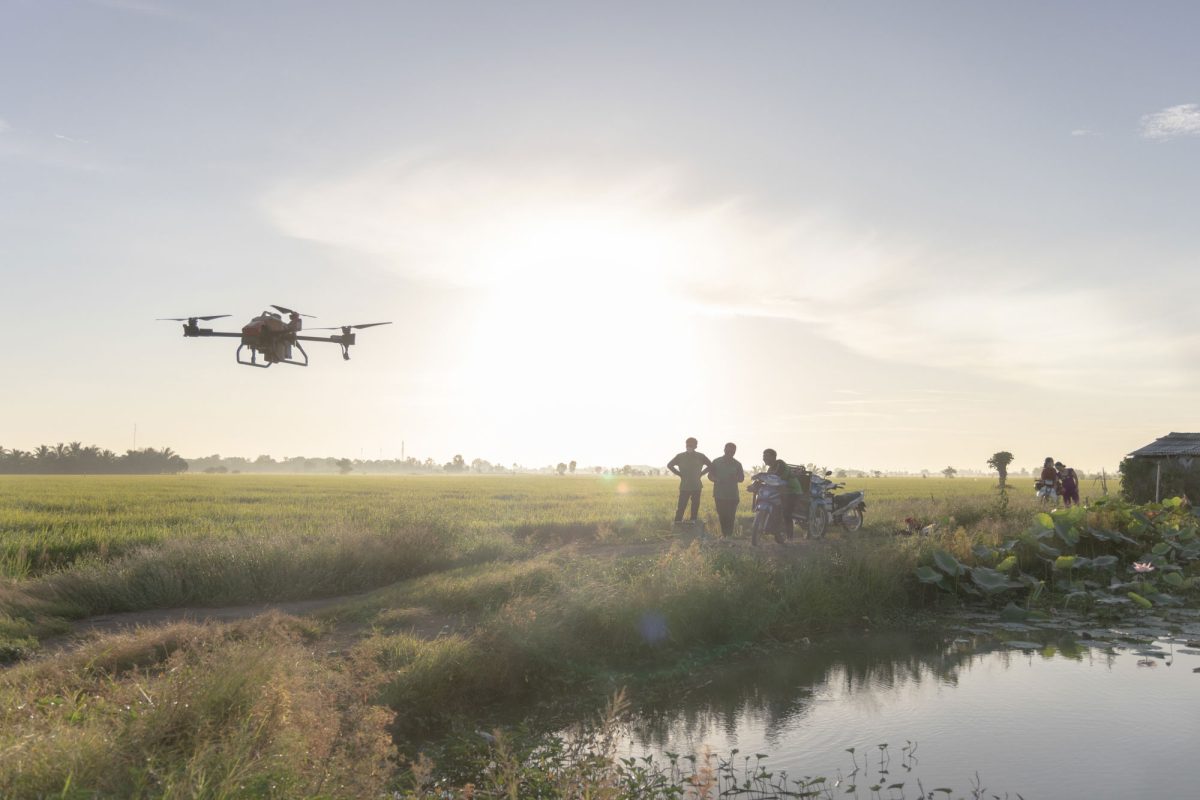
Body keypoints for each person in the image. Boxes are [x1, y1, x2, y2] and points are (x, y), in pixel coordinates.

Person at [667, 438, 712, 523]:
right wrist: (680, 474)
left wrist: (701, 473)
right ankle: (677, 526)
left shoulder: (701, 456)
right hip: (684, 486)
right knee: (681, 508)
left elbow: (711, 465)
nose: (689, 446)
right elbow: (669, 465)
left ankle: (693, 525)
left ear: (696, 446)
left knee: (695, 507)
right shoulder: (680, 456)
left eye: (691, 445)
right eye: (688, 444)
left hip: (696, 486)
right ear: (685, 445)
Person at [762, 448, 803, 539]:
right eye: (763, 456)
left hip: (792, 491)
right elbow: (769, 480)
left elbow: (777, 475)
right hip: (781, 491)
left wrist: (764, 476)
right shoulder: (770, 469)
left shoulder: (780, 464)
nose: (764, 458)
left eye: (767, 456)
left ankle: (789, 537)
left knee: (786, 513)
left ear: (774, 457)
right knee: (774, 506)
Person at [707, 442, 745, 537]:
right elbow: (710, 475)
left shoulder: (737, 464)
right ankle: (725, 535)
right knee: (722, 515)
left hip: (733, 495)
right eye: (728, 450)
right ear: (724, 450)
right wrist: (717, 480)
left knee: (731, 516)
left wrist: (735, 478)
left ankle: (728, 536)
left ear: (734, 452)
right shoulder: (716, 462)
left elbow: (741, 479)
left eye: (732, 451)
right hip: (719, 495)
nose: (730, 453)